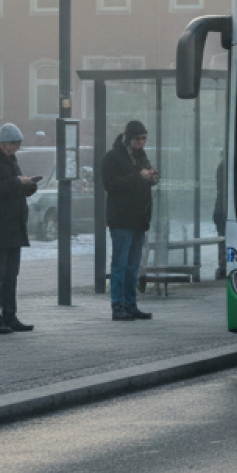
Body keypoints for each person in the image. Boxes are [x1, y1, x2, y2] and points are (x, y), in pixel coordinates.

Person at [0, 123, 38, 334]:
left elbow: (13, 187)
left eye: (19, 144)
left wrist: (28, 185)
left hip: (14, 225)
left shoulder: (12, 161)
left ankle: (10, 316)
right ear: (3, 143)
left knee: (11, 275)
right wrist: (16, 182)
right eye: (14, 144)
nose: (17, 148)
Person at [102, 119, 159, 321]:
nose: (141, 142)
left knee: (133, 265)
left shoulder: (140, 156)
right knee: (120, 264)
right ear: (128, 138)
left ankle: (130, 304)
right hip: (121, 219)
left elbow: (140, 182)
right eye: (137, 139)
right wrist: (139, 177)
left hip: (138, 219)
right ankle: (118, 306)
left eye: (144, 138)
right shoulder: (113, 157)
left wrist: (151, 177)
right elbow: (110, 184)